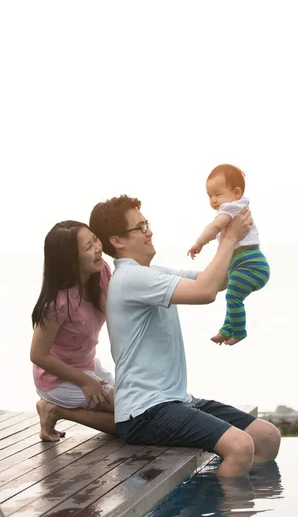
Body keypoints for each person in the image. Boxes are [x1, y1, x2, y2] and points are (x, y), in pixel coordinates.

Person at [89, 195, 280, 478]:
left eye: (147, 224)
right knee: (239, 446)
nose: (149, 231)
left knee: (266, 436)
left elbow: (216, 281)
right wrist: (227, 239)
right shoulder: (131, 279)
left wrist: (240, 241)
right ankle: (229, 502)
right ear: (117, 241)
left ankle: (227, 492)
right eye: (140, 227)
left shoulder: (152, 273)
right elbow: (204, 293)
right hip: (145, 412)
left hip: (175, 401)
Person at [30, 220, 116, 441]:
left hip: (88, 365)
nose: (98, 248)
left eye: (95, 239)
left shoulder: (102, 272)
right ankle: (55, 409)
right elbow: (38, 355)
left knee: (139, 407)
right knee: (131, 417)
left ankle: (54, 409)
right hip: (58, 378)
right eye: (88, 247)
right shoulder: (58, 303)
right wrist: (85, 381)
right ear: (71, 261)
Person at [187, 164, 270, 345]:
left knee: (232, 297)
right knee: (233, 296)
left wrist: (199, 243)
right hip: (245, 263)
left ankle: (239, 331)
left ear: (237, 193)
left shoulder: (231, 208)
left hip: (250, 264)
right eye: (210, 196)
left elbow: (215, 227)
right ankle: (226, 330)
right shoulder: (237, 207)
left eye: (218, 194)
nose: (213, 200)